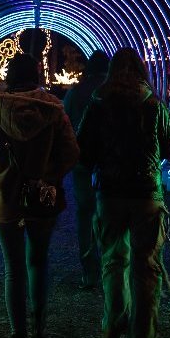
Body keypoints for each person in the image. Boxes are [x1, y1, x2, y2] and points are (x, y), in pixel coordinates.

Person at [0, 31, 79, 338]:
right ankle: (40, 332)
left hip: (4, 198)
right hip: (42, 199)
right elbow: (71, 152)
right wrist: (50, 176)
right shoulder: (54, 110)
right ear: (37, 76)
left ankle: (19, 337)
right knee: (38, 262)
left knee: (12, 267)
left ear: (8, 77)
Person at [77, 47, 170, 338]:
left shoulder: (98, 102)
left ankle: (112, 326)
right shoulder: (153, 103)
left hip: (109, 192)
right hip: (147, 193)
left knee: (113, 260)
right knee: (145, 266)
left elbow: (84, 148)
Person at [62, 51, 110, 289]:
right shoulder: (115, 91)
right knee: (111, 213)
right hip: (111, 164)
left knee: (85, 213)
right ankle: (113, 269)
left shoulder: (75, 92)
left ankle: (90, 270)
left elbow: (66, 125)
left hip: (82, 163)